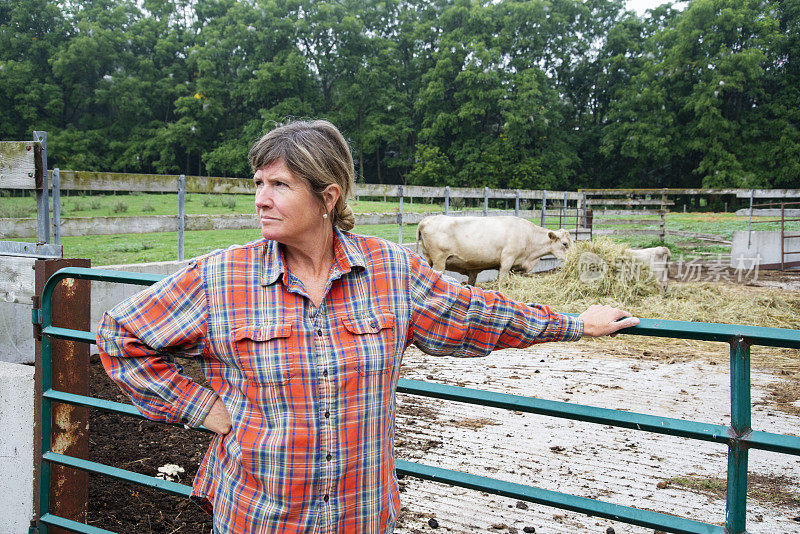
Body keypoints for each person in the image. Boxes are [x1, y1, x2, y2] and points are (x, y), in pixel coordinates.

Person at [97, 119, 638, 533]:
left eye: (280, 184)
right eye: (258, 182)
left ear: (328, 195)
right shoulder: (221, 277)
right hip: (259, 513)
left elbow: (477, 315)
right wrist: (206, 410)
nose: (261, 197)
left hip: (361, 513)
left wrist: (574, 323)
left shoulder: (391, 271)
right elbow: (119, 337)